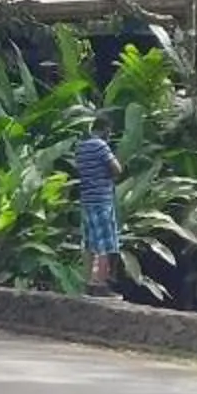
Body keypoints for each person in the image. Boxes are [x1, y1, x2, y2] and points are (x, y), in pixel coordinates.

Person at [72, 115, 122, 296]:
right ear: (106, 130)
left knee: (90, 244)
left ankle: (88, 283)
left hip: (87, 200)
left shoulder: (80, 147)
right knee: (105, 244)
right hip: (102, 200)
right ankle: (100, 285)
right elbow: (117, 169)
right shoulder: (101, 146)